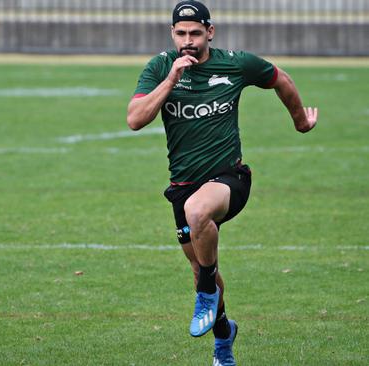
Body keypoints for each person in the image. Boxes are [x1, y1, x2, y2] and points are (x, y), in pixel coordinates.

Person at [126, 1, 317, 365]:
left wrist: (299, 121)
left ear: (209, 33)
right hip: (182, 185)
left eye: (195, 33)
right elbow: (135, 119)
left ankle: (204, 291)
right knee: (201, 264)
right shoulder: (159, 68)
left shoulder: (236, 63)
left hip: (229, 179)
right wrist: (171, 80)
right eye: (181, 34)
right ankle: (224, 336)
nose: (188, 41)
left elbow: (280, 78)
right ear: (172, 34)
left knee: (200, 218)